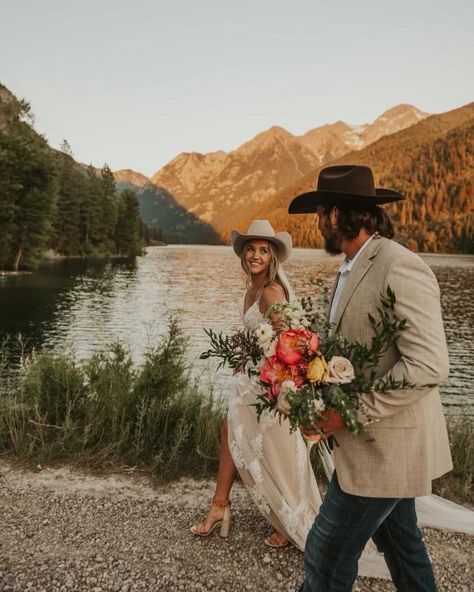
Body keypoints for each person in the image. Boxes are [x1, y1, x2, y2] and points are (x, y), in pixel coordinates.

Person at [288, 164, 468, 592]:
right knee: (403, 546)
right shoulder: (353, 266)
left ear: (335, 216)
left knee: (326, 552)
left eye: (320, 214)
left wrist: (346, 413)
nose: (318, 225)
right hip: (376, 449)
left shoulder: (398, 265)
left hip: (385, 447)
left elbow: (427, 364)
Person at [191, 219, 323, 550]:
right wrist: (243, 359)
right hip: (249, 380)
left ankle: (288, 518)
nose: (255, 255)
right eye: (251, 249)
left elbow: (289, 341)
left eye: (263, 250)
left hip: (267, 386)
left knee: (276, 450)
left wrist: (276, 380)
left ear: (272, 258)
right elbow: (258, 335)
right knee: (231, 434)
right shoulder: (251, 289)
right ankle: (220, 508)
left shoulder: (271, 291)